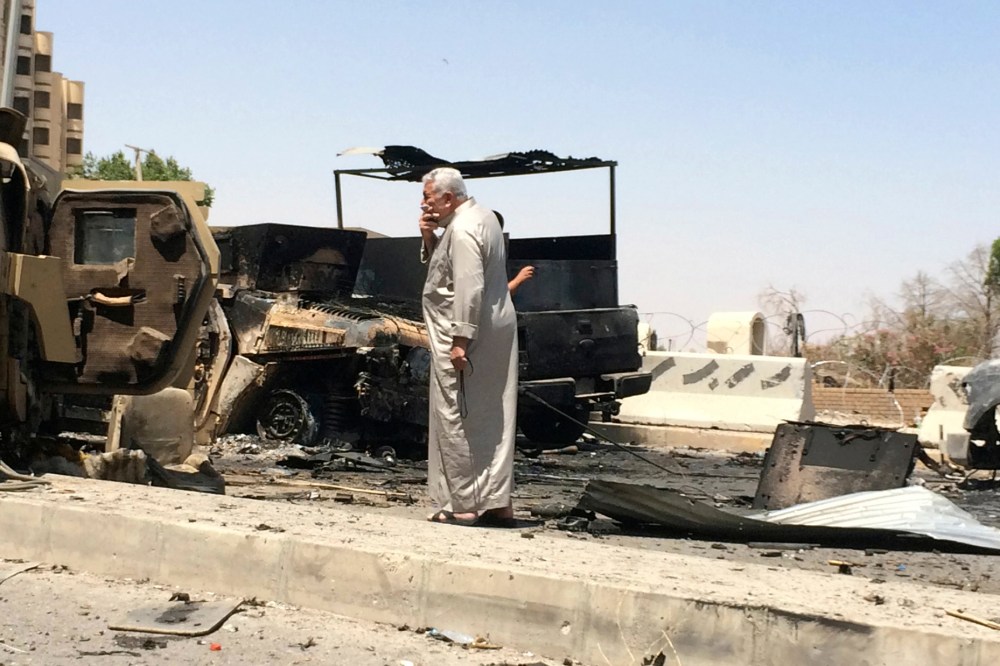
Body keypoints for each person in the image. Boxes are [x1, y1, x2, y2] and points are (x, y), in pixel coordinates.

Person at [419, 167, 518, 527]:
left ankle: (463, 505)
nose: (424, 204)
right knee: (494, 417)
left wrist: (460, 341)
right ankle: (497, 503)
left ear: (448, 197)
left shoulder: (461, 230)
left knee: (457, 416)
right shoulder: (483, 217)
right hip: (493, 329)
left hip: (466, 336)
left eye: (429, 197)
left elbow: (468, 287)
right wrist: (430, 237)